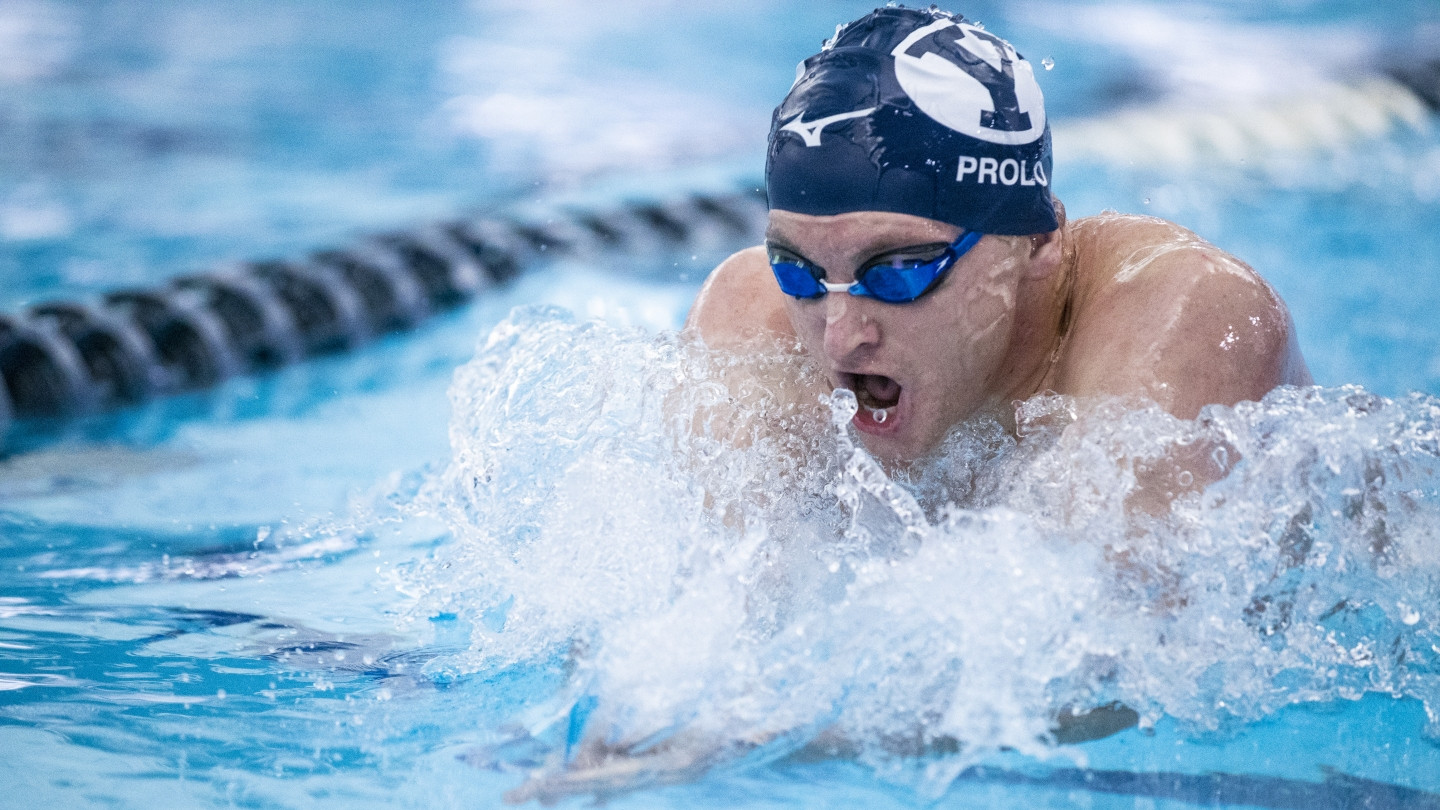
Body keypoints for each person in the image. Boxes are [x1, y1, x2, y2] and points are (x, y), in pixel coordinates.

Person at [685, 5, 1311, 466]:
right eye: (799, 272)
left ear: (1037, 243)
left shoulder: (1180, 328)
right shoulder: (750, 326)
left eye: (899, 270)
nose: (841, 338)